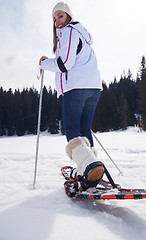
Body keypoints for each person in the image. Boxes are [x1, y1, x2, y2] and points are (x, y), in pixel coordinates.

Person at [39, 2, 104, 191]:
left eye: (60, 16)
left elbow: (64, 64)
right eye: (54, 18)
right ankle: (90, 169)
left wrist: (44, 63)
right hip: (93, 89)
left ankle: (90, 167)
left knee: (72, 130)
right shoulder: (80, 33)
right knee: (84, 129)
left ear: (68, 16)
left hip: (76, 88)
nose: (57, 21)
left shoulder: (68, 32)